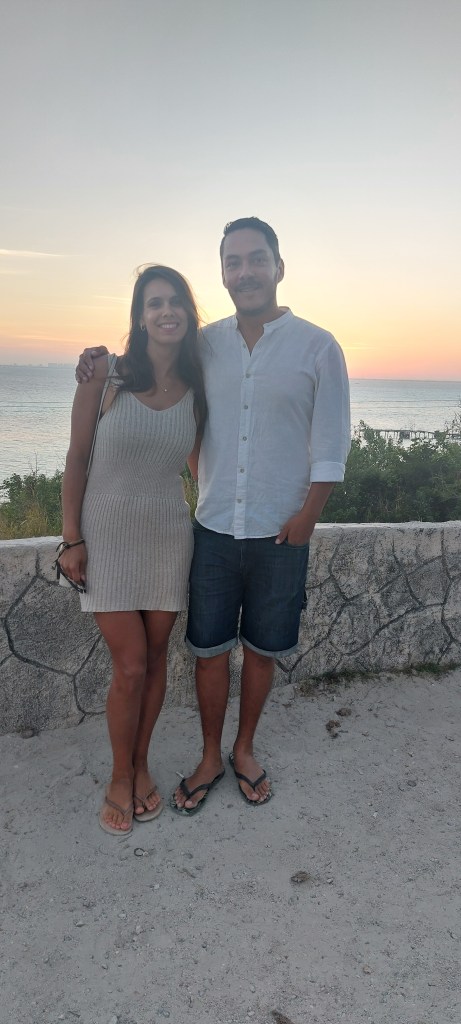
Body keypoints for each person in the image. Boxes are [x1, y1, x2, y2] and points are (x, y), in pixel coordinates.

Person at [76, 217, 350, 814]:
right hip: (213, 527)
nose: (245, 272)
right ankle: (208, 756)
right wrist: (96, 358)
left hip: (282, 530)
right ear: (223, 274)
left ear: (279, 267)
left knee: (262, 650)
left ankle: (243, 750)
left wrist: (308, 516)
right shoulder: (205, 345)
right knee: (208, 649)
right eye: (233, 262)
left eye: (257, 259)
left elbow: (332, 443)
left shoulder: (318, 346)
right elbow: (165, 385)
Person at [61, 265, 207, 835]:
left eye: (175, 302)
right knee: (131, 664)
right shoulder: (105, 373)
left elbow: (199, 466)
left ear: (188, 314)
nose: (166, 311)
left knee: (156, 659)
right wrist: (71, 538)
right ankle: (120, 776)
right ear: (140, 317)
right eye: (154, 303)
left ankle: (142, 763)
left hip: (168, 534)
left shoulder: (198, 387)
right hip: (107, 536)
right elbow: (77, 458)